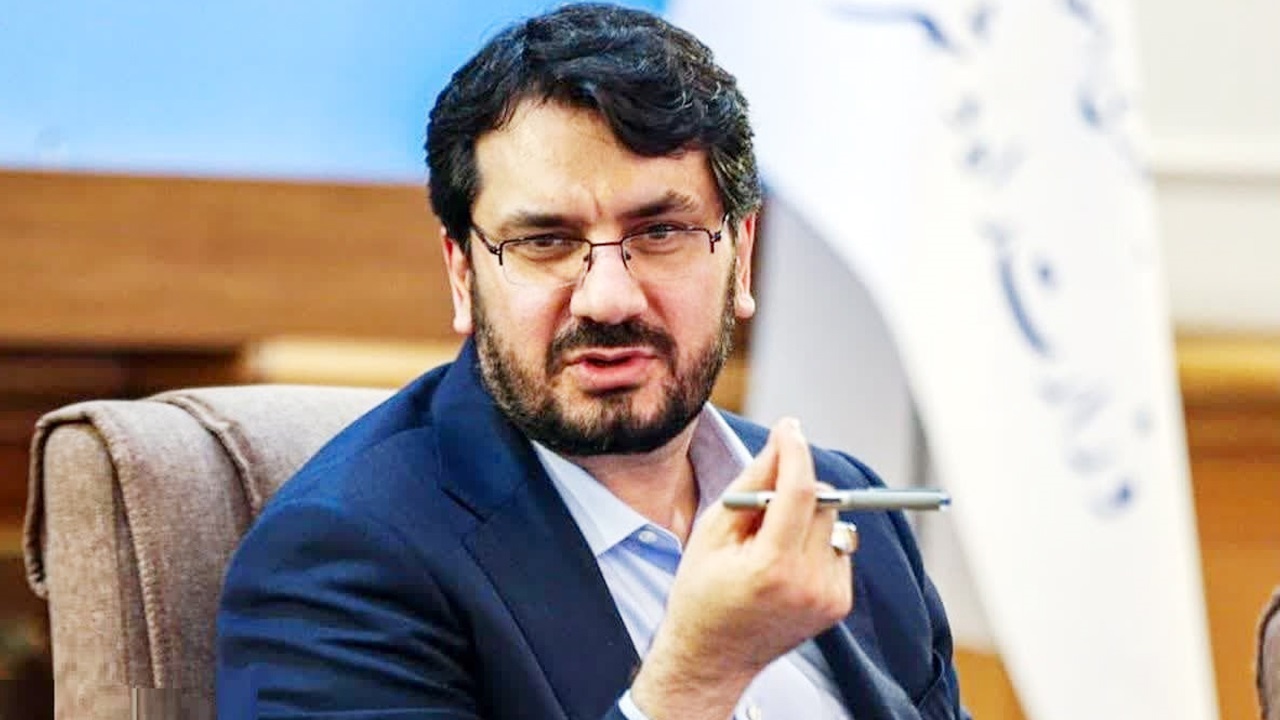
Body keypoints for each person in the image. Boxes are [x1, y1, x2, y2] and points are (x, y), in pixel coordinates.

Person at [215, 4, 968, 719]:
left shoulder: (847, 510)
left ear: (740, 259)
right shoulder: (340, 561)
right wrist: (697, 679)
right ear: (462, 275)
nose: (607, 299)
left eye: (661, 232)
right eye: (545, 242)